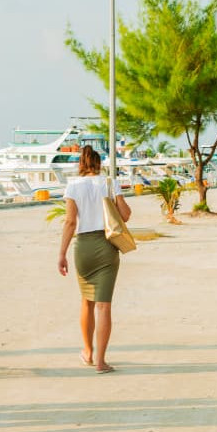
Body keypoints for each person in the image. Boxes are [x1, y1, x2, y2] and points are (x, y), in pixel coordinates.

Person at [57, 145, 130, 374]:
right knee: (103, 305)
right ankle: (101, 361)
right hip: (106, 245)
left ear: (81, 164)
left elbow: (70, 222)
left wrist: (61, 254)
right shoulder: (108, 182)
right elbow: (126, 215)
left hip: (83, 246)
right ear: (99, 163)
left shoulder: (72, 185)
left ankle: (87, 352)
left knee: (86, 302)